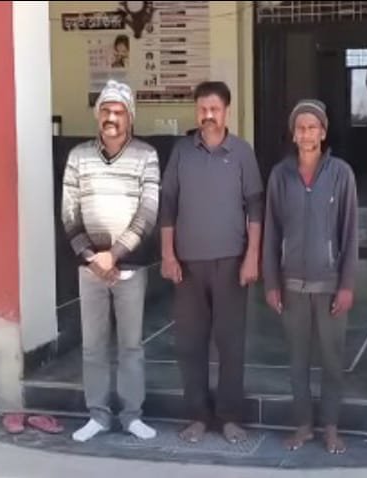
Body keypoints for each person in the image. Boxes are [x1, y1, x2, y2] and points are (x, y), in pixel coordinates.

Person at [159, 81, 264, 444]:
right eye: (202, 109)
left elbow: (255, 207)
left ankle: (230, 417)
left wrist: (253, 256)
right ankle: (198, 416)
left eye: (214, 109)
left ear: (226, 112)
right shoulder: (181, 152)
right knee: (191, 344)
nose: (208, 116)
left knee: (231, 343)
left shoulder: (242, 153)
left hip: (231, 263)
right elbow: (168, 204)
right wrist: (167, 253)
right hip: (188, 266)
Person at [61, 79, 160, 443]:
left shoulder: (147, 155)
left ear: (130, 117)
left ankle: (132, 415)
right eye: (105, 110)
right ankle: (98, 416)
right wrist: (92, 258)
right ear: (97, 115)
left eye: (119, 111)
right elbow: (69, 214)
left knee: (131, 346)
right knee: (93, 347)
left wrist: (114, 255)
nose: (111, 117)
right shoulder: (78, 157)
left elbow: (147, 213)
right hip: (90, 268)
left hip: (129, 267)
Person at [262, 99, 359, 454]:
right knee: (297, 360)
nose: (306, 134)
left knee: (332, 359)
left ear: (323, 132)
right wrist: (271, 282)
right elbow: (271, 232)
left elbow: (350, 233)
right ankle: (303, 425)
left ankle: (331, 426)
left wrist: (346, 284)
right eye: (300, 128)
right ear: (293, 134)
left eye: (312, 127)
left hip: (330, 283)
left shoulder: (341, 174)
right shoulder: (280, 176)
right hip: (291, 285)